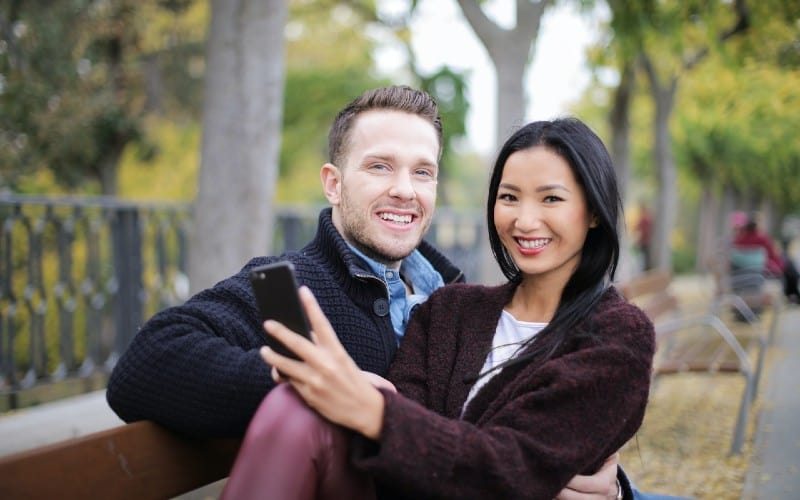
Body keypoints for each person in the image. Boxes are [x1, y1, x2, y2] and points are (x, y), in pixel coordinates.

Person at [106, 86, 628, 498]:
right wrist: (323, 383)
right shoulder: (288, 287)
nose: (405, 189)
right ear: (334, 183)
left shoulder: (460, 300)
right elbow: (145, 366)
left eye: (422, 172)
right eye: (380, 166)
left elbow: (515, 442)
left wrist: (604, 484)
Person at [221, 117, 656, 499]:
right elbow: (398, 468)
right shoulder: (449, 309)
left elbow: (513, 467)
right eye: (509, 197)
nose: (524, 221)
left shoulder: (619, 335)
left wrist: (375, 412)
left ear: (594, 212)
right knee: (293, 406)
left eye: (551, 199)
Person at [733, 213, 799, 302]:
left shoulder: (739, 240)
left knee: (789, 266)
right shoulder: (762, 238)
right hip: (764, 271)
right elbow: (773, 255)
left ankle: (792, 294)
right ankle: (793, 294)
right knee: (789, 266)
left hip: (743, 275)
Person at [634, 202, 653, 270]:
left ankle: (645, 269)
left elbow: (638, 228)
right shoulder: (648, 217)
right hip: (647, 241)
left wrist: (638, 240)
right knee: (645, 256)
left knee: (643, 257)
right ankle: (646, 268)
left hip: (644, 241)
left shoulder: (644, 217)